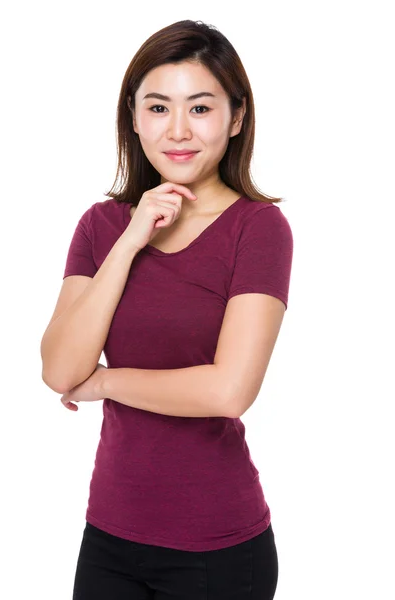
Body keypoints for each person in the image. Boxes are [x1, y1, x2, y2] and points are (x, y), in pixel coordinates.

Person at [41, 19, 293, 600]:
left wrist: (103, 382)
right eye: (158, 107)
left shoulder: (258, 229)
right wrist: (132, 239)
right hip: (107, 535)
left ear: (236, 118)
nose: (177, 130)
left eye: (200, 108)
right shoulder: (102, 226)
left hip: (217, 547)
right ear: (133, 117)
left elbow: (228, 390)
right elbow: (58, 370)